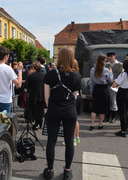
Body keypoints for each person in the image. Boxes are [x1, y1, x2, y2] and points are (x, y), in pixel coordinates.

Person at [43, 47, 81, 180]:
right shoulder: (76, 76)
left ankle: (50, 170)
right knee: (69, 141)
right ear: (71, 58)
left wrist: (53, 105)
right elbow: (75, 97)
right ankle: (67, 170)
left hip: (54, 110)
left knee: (51, 141)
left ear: (59, 58)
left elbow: (46, 98)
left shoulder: (50, 74)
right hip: (70, 111)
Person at [0, 47, 23, 113]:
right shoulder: (8, 69)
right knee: (5, 121)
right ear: (6, 56)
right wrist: (20, 71)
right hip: (5, 100)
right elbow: (18, 85)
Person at [90, 54, 113, 130]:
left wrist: (91, 91)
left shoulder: (93, 69)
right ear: (104, 60)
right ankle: (100, 125)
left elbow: (91, 82)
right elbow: (110, 81)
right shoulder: (106, 70)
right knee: (102, 108)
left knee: (94, 108)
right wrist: (111, 72)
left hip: (96, 88)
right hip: (103, 89)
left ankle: (92, 124)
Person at [24, 62, 45, 130]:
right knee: (40, 110)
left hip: (33, 96)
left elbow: (26, 86)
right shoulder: (44, 75)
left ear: (33, 68)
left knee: (33, 110)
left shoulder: (31, 76)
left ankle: (34, 123)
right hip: (42, 95)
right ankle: (39, 123)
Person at [104, 51, 123, 123]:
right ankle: (107, 116)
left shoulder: (120, 65)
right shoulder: (106, 65)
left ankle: (113, 117)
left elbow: (121, 75)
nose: (110, 58)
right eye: (109, 56)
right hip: (107, 85)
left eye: (111, 56)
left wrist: (117, 83)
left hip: (115, 86)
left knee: (113, 102)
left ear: (114, 56)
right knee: (107, 101)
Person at [112, 60, 128, 137]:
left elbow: (115, 85)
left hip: (123, 92)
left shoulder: (123, 74)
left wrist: (117, 84)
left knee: (123, 112)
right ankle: (126, 128)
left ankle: (123, 130)